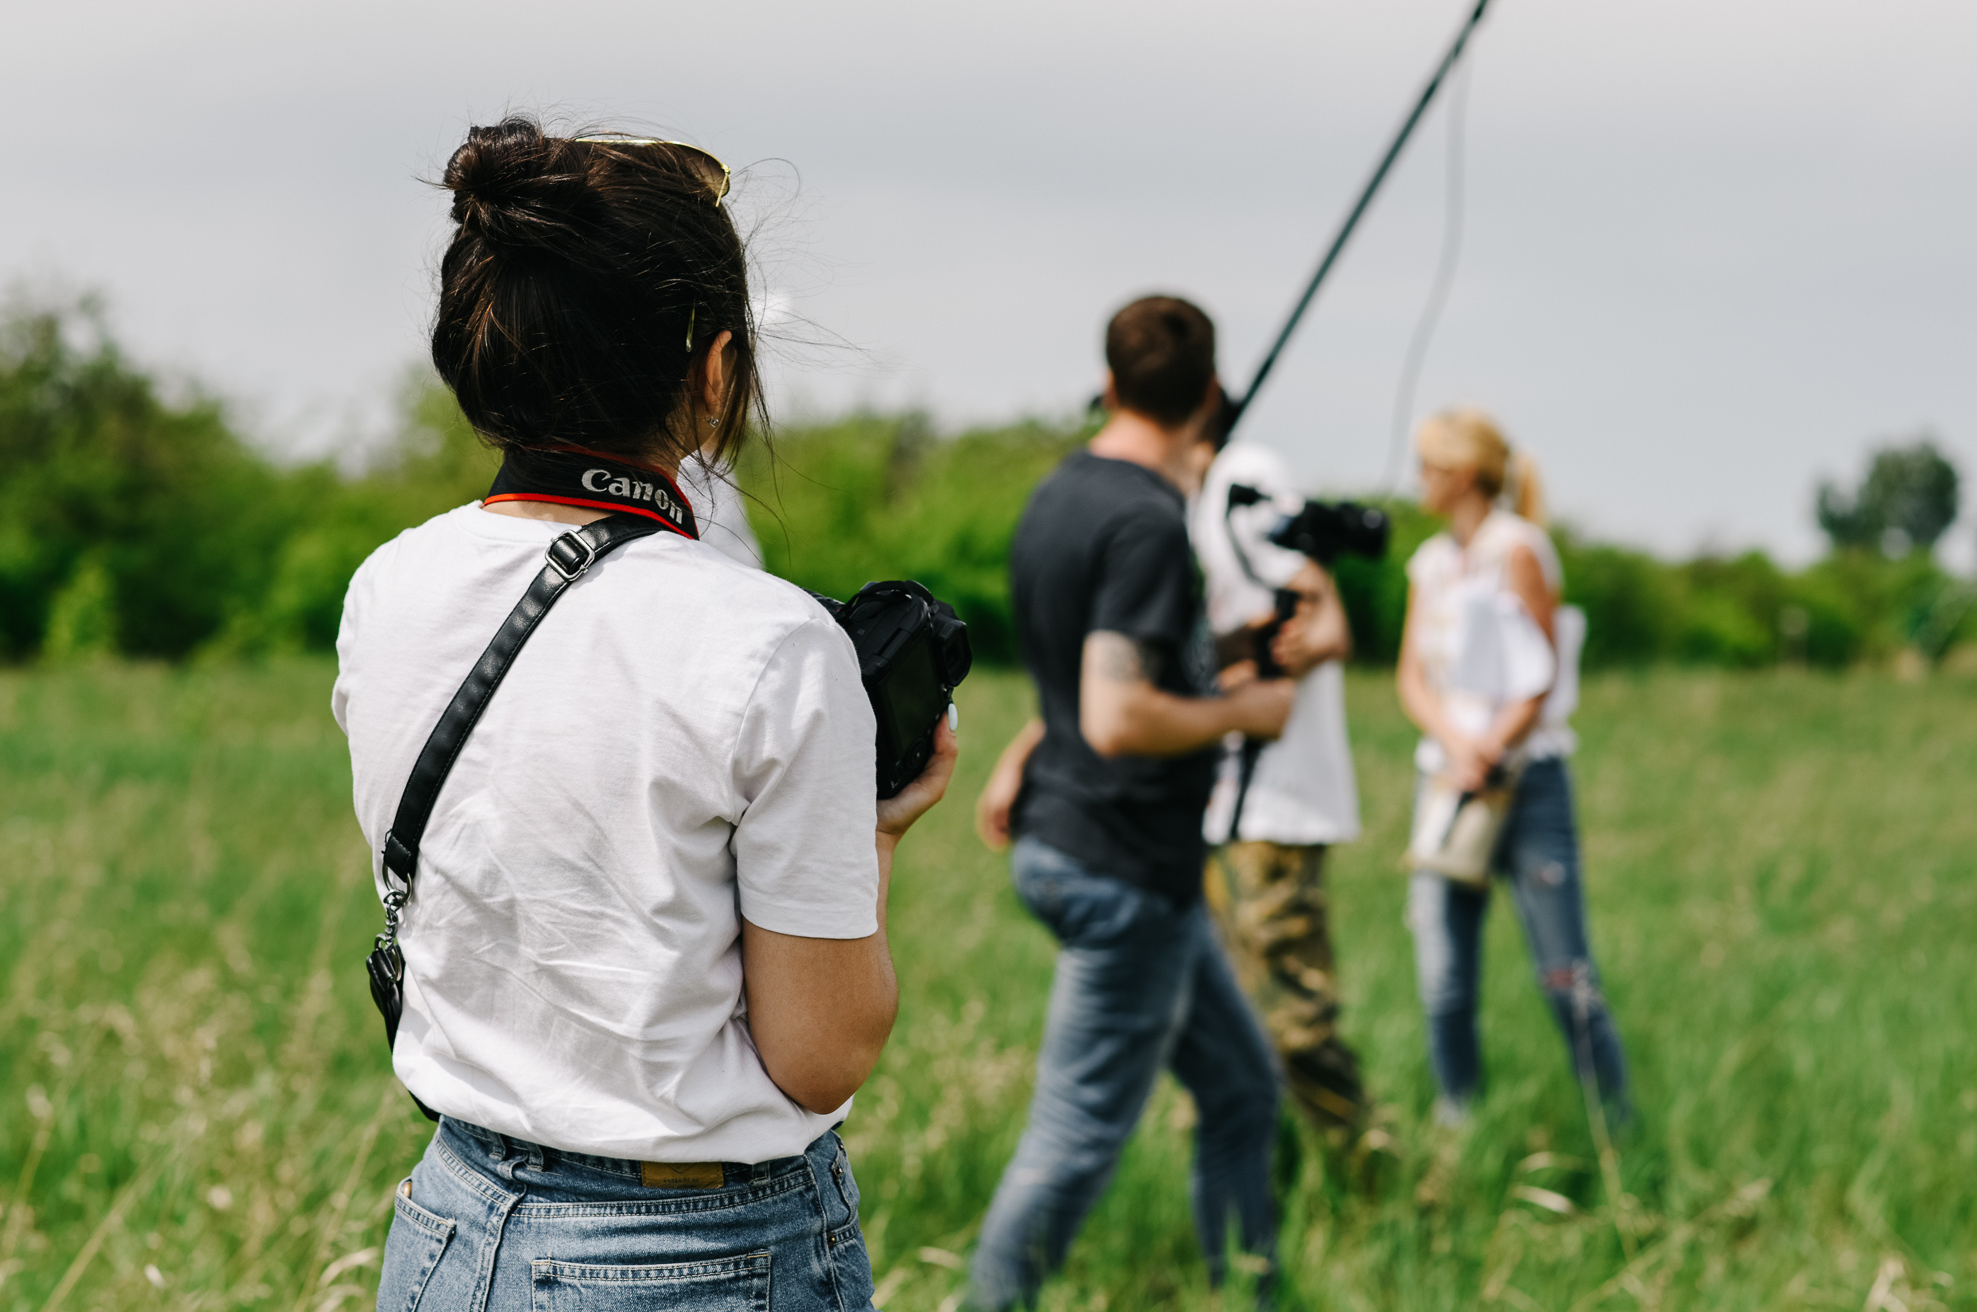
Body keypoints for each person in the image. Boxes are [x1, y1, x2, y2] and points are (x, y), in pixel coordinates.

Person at [335, 120, 954, 1312]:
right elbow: (821, 1052)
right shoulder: (769, 642)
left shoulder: (389, 586)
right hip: (695, 1255)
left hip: (452, 1220)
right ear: (716, 370)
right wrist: (876, 837)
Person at [968, 296, 1296, 1310]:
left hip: (1099, 847)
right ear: (1209, 397)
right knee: (1073, 1139)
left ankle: (1249, 1288)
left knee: (1243, 1091)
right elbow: (1116, 714)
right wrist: (1248, 709)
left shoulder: (1062, 492)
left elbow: (1089, 674)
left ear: (1108, 385)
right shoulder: (1148, 521)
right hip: (1122, 867)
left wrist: (1237, 655)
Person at [1395, 407, 1627, 1128]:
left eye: (1428, 467)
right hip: (1447, 781)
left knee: (1563, 974)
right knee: (1443, 976)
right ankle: (1457, 1119)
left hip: (1525, 783)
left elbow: (1539, 673)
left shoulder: (1520, 550)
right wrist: (1455, 745)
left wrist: (1491, 746)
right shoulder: (1430, 563)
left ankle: (1614, 1123)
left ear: (1462, 474)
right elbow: (1410, 676)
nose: (1419, 481)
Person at [1189, 438, 1369, 1147]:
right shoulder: (1185, 519)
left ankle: (1368, 1172)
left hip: (1278, 813)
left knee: (1295, 1018)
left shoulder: (1243, 484)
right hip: (1222, 811)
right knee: (1229, 1019)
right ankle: (1267, 1171)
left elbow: (1323, 611)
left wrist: (1308, 643)